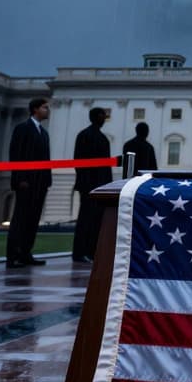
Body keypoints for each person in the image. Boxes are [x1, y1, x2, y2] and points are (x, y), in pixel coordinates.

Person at [6, 98, 52, 269]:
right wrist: (20, 178)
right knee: (20, 219)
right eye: (44, 107)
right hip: (26, 182)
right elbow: (16, 154)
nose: (47, 110)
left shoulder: (43, 133)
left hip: (40, 183)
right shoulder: (22, 129)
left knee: (33, 220)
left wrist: (47, 180)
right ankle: (13, 256)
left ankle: (26, 252)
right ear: (35, 109)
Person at [73, 107, 113, 264]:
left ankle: (89, 251)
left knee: (95, 221)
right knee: (86, 220)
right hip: (91, 185)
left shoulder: (97, 137)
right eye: (103, 116)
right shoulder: (89, 136)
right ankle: (81, 252)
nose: (104, 119)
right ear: (96, 117)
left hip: (96, 185)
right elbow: (80, 162)